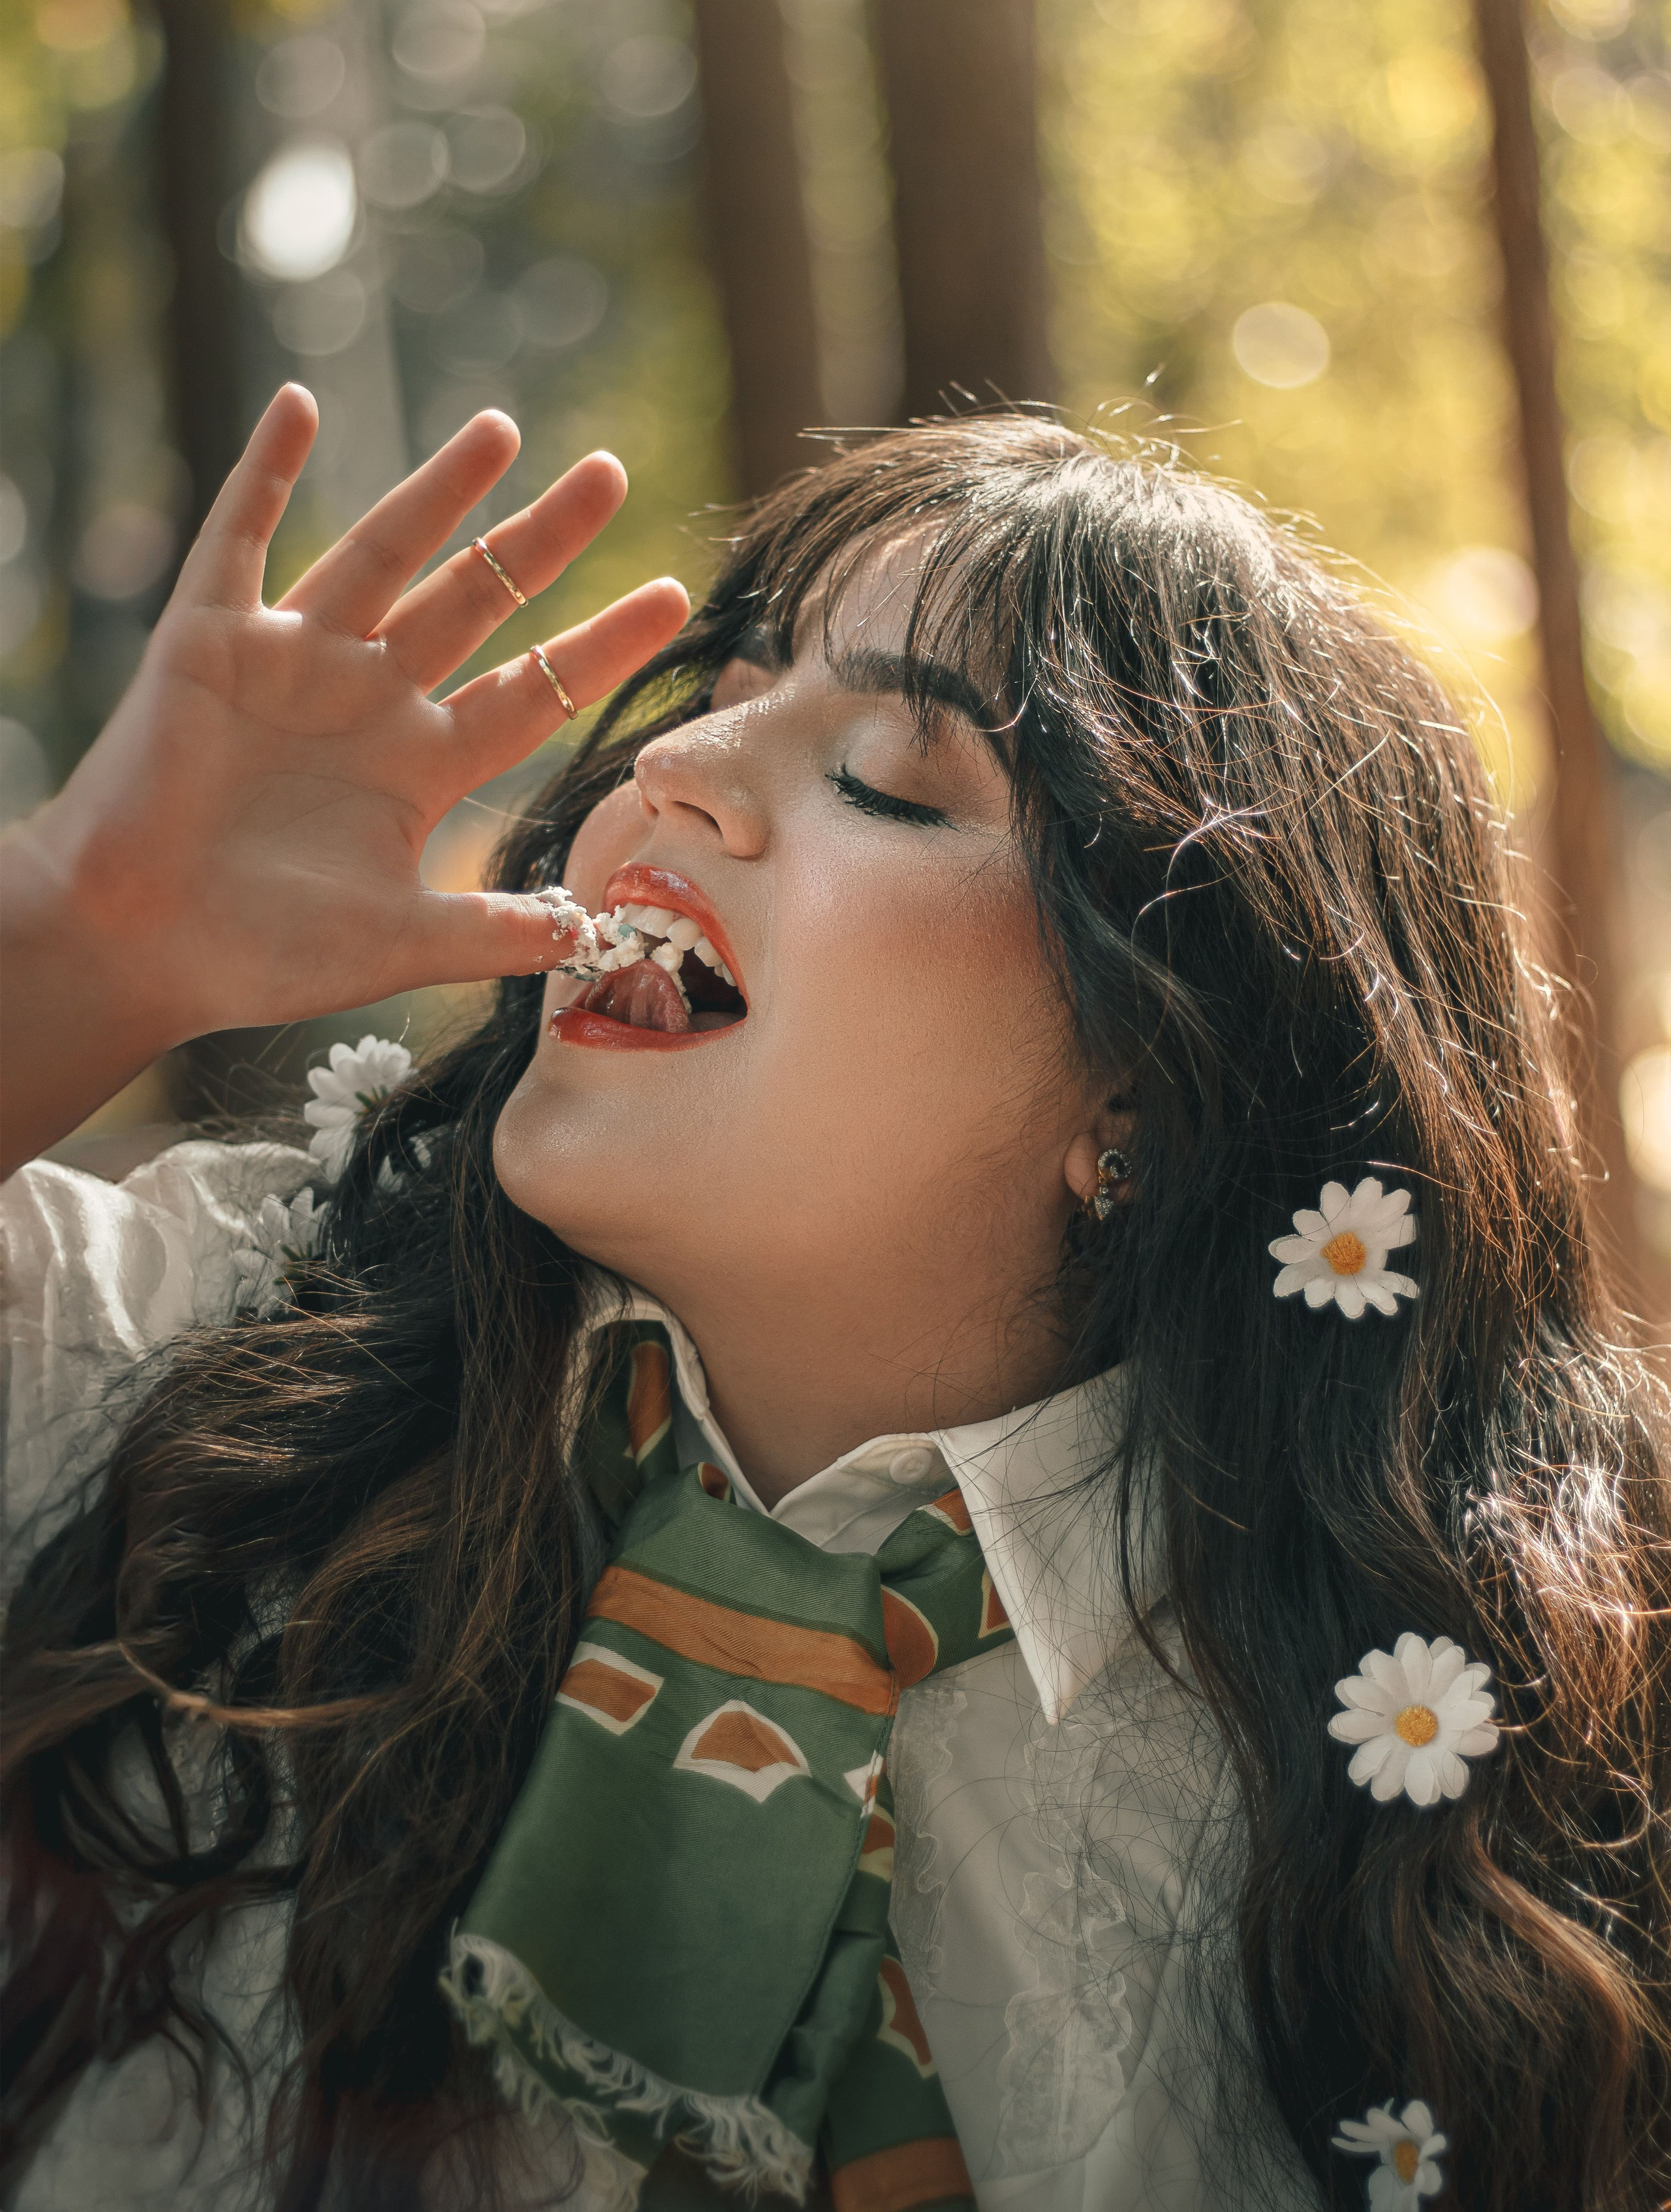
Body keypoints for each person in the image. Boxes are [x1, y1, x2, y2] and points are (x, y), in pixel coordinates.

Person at [1, 388, 1666, 2212]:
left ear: (1148, 1099)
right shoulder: (179, 1365)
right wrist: (86, 929)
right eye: (729, 689)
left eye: (888, 775)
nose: (679, 771)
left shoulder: (1408, 1800)